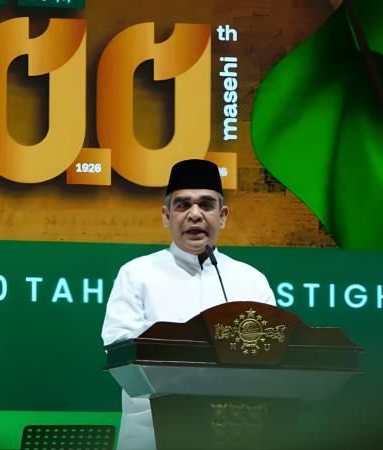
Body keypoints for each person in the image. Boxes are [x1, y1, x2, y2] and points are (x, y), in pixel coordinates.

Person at [101, 159, 276, 450]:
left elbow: (273, 354)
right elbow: (119, 350)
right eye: (183, 205)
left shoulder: (251, 280)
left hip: (233, 433)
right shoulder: (137, 274)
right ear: (166, 216)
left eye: (206, 205)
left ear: (222, 216)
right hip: (152, 434)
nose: (195, 215)